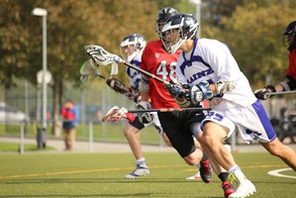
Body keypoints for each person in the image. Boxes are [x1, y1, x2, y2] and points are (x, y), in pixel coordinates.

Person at [161, 13, 296, 197]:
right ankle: (243, 182)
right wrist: (179, 94)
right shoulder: (180, 64)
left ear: (186, 31)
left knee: (275, 148)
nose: (168, 37)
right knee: (207, 137)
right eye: (167, 34)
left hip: (242, 102)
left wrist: (205, 89)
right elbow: (187, 102)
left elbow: (231, 81)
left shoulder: (209, 47)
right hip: (220, 107)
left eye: (172, 32)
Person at [139, 8, 234, 197]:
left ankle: (227, 184)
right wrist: (144, 102)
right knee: (192, 158)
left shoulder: (185, 50)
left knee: (203, 136)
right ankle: (204, 160)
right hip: (165, 111)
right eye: (162, 26)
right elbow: (144, 81)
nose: (167, 32)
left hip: (189, 106)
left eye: (170, 28)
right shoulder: (150, 49)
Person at [105, 33, 169, 179]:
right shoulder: (130, 66)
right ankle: (141, 166)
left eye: (129, 46)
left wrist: (139, 96)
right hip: (148, 106)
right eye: (124, 48)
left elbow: (153, 85)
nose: (126, 50)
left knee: (170, 140)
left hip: (156, 105)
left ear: (139, 45)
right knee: (130, 131)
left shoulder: (141, 60)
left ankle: (205, 157)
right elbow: (138, 92)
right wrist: (124, 90)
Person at [254, 20, 296, 99]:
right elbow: (292, 83)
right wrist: (270, 91)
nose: (288, 39)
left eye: (291, 36)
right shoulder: (293, 55)